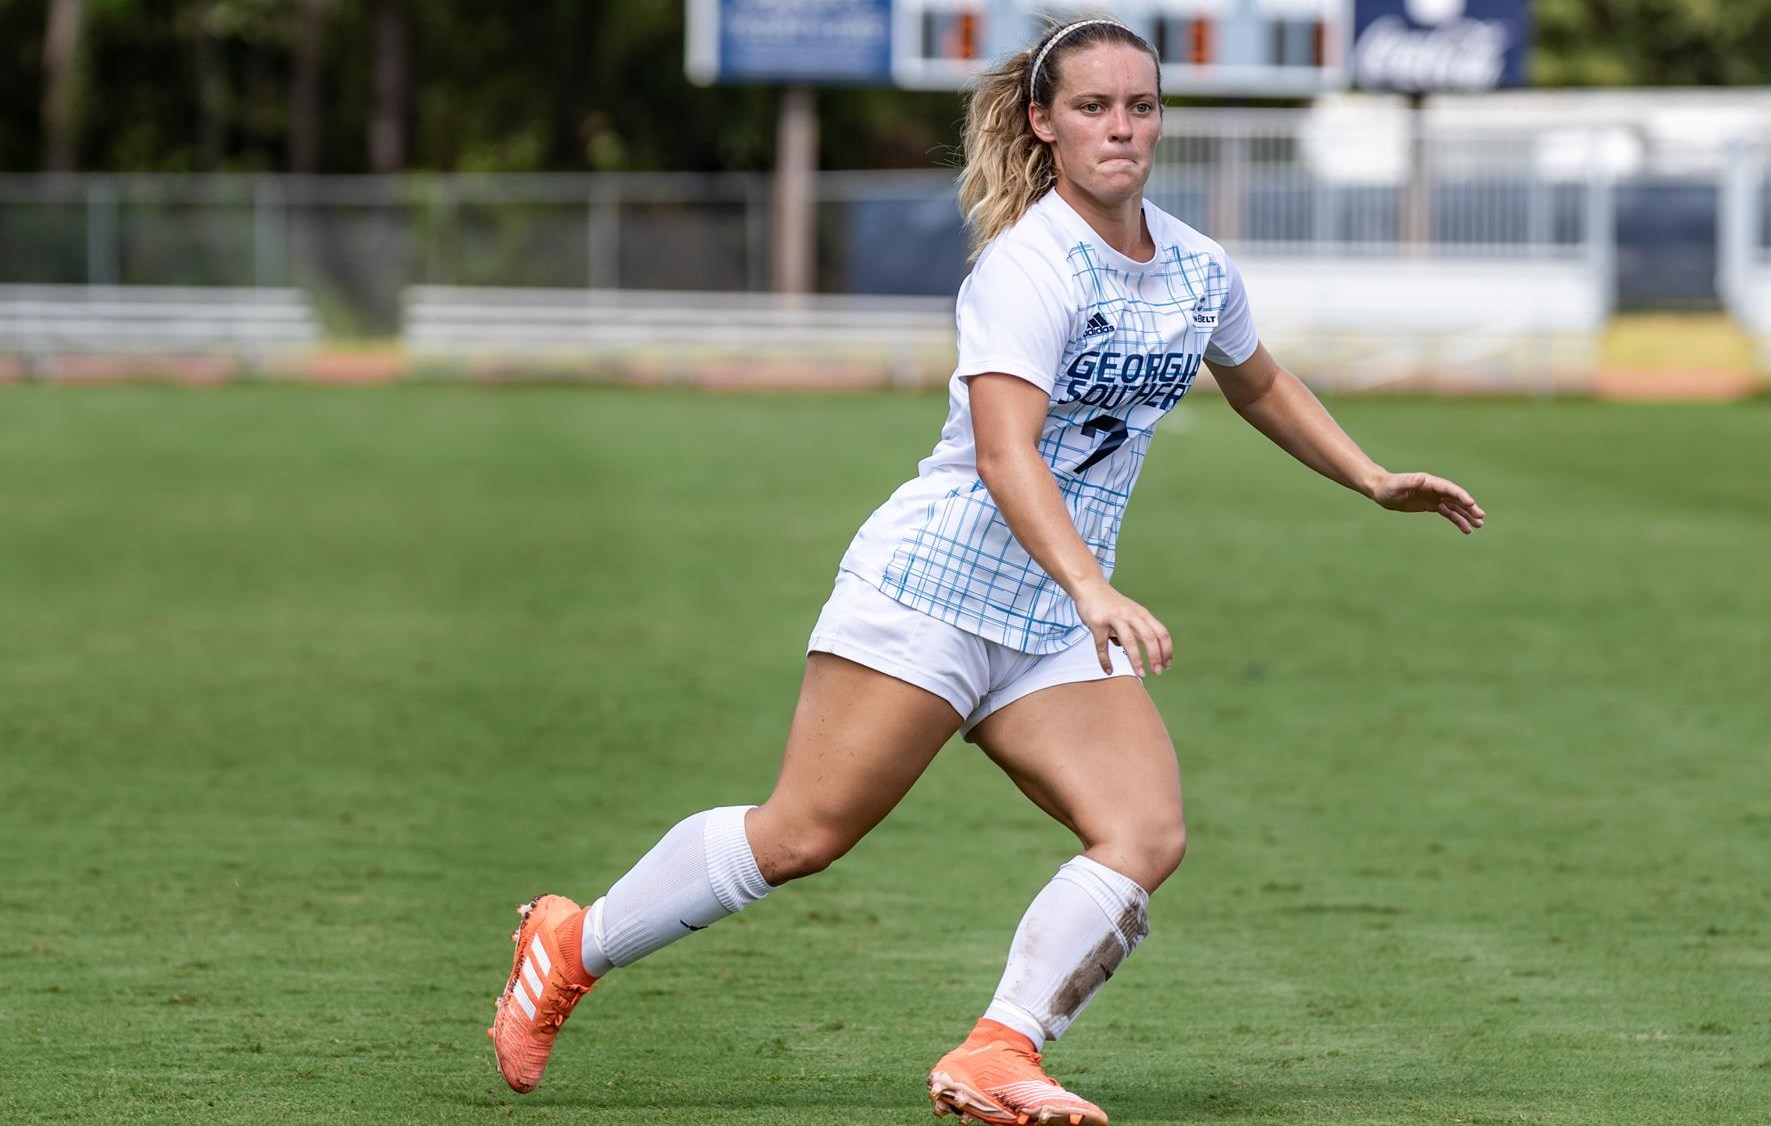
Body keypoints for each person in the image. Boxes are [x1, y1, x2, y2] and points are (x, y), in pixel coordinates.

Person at [487, 18, 1484, 1126]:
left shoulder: (1197, 266)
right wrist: (1093, 588)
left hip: (1054, 614)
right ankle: (569, 943)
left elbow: (1257, 381)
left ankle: (998, 1050)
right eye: (1094, 107)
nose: (1121, 127)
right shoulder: (1026, 265)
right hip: (934, 587)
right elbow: (1007, 453)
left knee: (1145, 832)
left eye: (1140, 106)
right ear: (1041, 123)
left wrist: (1371, 475)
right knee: (803, 834)